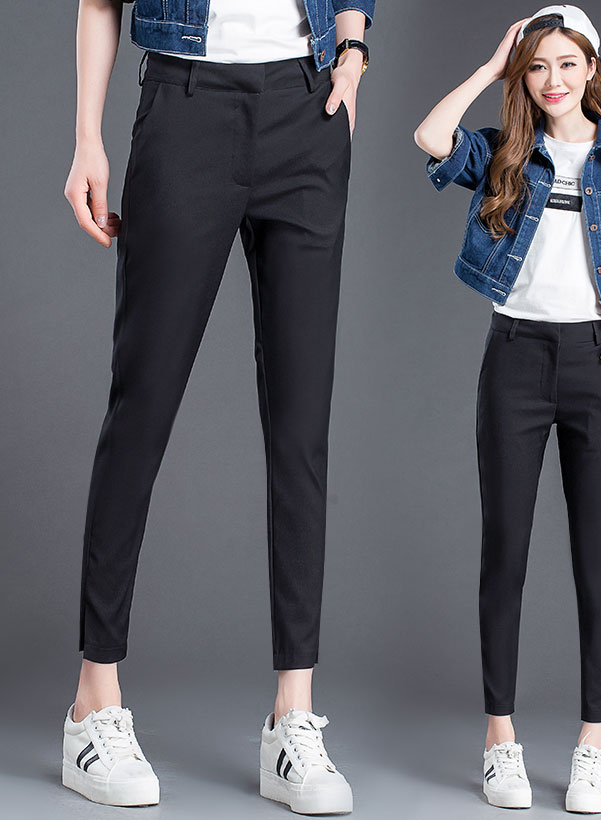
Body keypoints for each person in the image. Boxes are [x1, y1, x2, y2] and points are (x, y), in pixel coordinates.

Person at [61, 0, 375, 812]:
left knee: (302, 425)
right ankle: (93, 702)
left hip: (308, 112)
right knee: (143, 404)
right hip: (186, 107)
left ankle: (292, 718)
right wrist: (88, 137)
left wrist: (352, 52)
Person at [414, 5, 601, 813]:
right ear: (522, 75)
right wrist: (490, 67)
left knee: (595, 562)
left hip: (599, 361)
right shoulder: (506, 151)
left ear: (592, 67)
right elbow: (430, 137)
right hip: (516, 359)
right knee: (505, 553)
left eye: (567, 63)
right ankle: (500, 741)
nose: (553, 80)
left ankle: (593, 747)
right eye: (537, 66)